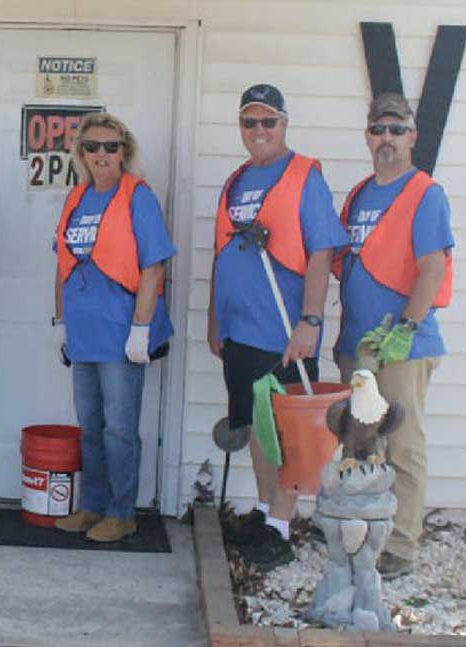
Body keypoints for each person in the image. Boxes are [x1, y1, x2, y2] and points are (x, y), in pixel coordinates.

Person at [208, 84, 348, 568]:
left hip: (284, 333)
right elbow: (223, 253)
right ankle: (267, 513)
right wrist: (215, 321)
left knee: (286, 435)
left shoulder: (305, 176)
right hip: (240, 332)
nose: (259, 130)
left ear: (284, 124)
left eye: (269, 121)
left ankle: (282, 528)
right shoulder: (237, 180)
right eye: (250, 122)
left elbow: (321, 251)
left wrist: (310, 321)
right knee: (258, 429)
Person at [333, 93, 454, 580]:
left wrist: (406, 327)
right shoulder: (361, 193)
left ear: (412, 137)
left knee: (401, 445)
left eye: (396, 130)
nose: (387, 138)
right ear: (367, 135)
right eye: (378, 129)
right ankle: (360, 537)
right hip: (358, 345)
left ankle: (400, 547)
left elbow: (432, 267)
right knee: (358, 445)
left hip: (403, 345)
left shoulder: (425, 194)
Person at [49, 113, 175, 542]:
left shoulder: (137, 197)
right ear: (81, 153)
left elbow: (153, 267)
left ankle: (122, 513)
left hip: (122, 334)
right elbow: (62, 265)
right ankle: (92, 506)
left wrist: (141, 328)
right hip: (84, 335)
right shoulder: (77, 198)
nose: (101, 155)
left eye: (111, 146)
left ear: (125, 151)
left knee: (120, 429)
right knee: (91, 427)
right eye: (92, 147)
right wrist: (60, 322)